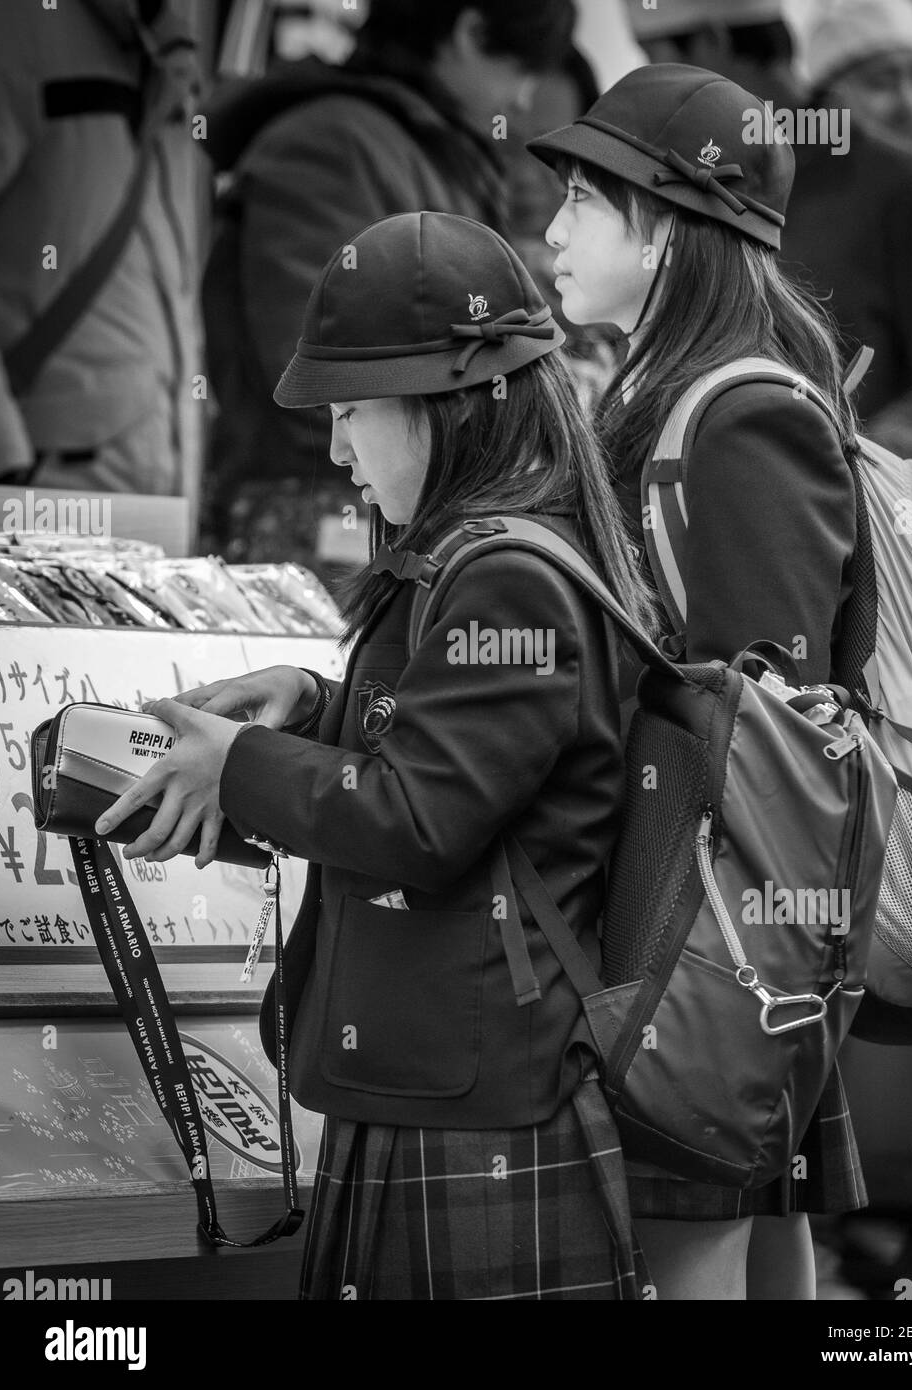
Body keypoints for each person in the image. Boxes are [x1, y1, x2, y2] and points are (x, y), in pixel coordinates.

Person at [93, 210, 656, 1300]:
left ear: (451, 408)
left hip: (476, 1105)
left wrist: (241, 765)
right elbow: (474, 750)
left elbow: (421, 820)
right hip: (441, 1088)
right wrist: (318, 703)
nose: (338, 450)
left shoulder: (507, 573)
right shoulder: (492, 553)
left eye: (353, 412)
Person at [528, 62, 866, 1300]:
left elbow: (772, 739)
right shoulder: (659, 397)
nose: (554, 230)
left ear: (672, 228)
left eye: (584, 197)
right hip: (699, 948)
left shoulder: (739, 417)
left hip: (712, 960)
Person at [201, 0, 576, 575]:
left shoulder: (417, 144)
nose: (522, 98)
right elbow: (309, 368)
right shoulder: (333, 145)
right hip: (318, 531)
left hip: (393, 514)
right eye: (522, 68)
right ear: (469, 29)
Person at [627, 0, 912, 491]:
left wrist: (855, 467)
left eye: (655, 56)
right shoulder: (696, 188)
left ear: (713, 44)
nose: (654, 87)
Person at [0, 0, 201, 493]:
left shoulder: (163, 53)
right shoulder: (16, 27)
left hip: (149, 491)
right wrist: (3, 456)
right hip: (41, 496)